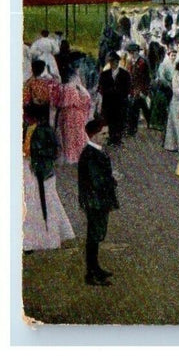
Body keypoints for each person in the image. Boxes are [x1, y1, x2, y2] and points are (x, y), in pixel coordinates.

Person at [23, 111, 76, 252]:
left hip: (40, 171)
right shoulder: (28, 128)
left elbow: (53, 151)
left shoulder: (43, 130)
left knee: (44, 202)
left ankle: (46, 238)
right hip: (31, 168)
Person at [77, 119, 118, 286]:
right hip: (95, 201)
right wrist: (113, 179)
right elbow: (98, 181)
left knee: (96, 235)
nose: (107, 137)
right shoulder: (91, 154)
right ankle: (91, 273)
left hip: (97, 200)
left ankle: (95, 268)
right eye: (103, 134)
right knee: (94, 236)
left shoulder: (95, 151)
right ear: (93, 135)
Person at [54, 68, 92, 165]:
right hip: (78, 115)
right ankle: (81, 155)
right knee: (79, 136)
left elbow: (58, 103)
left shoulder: (63, 88)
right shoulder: (79, 88)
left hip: (67, 116)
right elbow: (87, 100)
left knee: (68, 137)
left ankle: (71, 158)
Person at [98, 51, 131, 147]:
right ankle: (112, 138)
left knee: (119, 120)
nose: (114, 64)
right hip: (109, 101)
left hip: (120, 101)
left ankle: (118, 139)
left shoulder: (125, 74)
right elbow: (102, 87)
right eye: (112, 62)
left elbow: (127, 88)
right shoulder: (105, 74)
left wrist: (120, 93)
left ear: (118, 62)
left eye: (115, 62)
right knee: (111, 120)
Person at [123, 43, 150, 136]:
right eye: (130, 52)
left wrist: (143, 90)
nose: (132, 54)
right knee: (134, 108)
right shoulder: (129, 62)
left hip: (140, 89)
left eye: (133, 52)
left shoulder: (142, 62)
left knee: (141, 107)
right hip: (132, 89)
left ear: (137, 52)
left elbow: (146, 78)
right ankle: (132, 129)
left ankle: (149, 123)